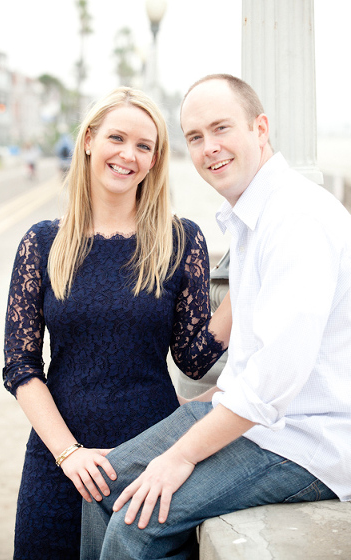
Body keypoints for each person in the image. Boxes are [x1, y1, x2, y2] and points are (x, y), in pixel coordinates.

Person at [81, 74, 351, 560]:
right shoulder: (254, 216)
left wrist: (180, 455)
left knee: (135, 521)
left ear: (260, 128)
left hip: (307, 441)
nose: (210, 148)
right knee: (102, 486)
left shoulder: (297, 220)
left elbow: (275, 380)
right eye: (195, 137)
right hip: (257, 417)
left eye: (221, 129)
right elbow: (255, 356)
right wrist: (206, 403)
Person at [3, 87, 232, 559]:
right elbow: (20, 366)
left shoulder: (180, 240)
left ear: (154, 160)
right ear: (89, 139)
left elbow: (194, 359)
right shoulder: (43, 243)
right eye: (117, 138)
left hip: (149, 462)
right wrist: (69, 455)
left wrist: (251, 274)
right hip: (59, 459)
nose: (128, 154)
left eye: (144, 146)